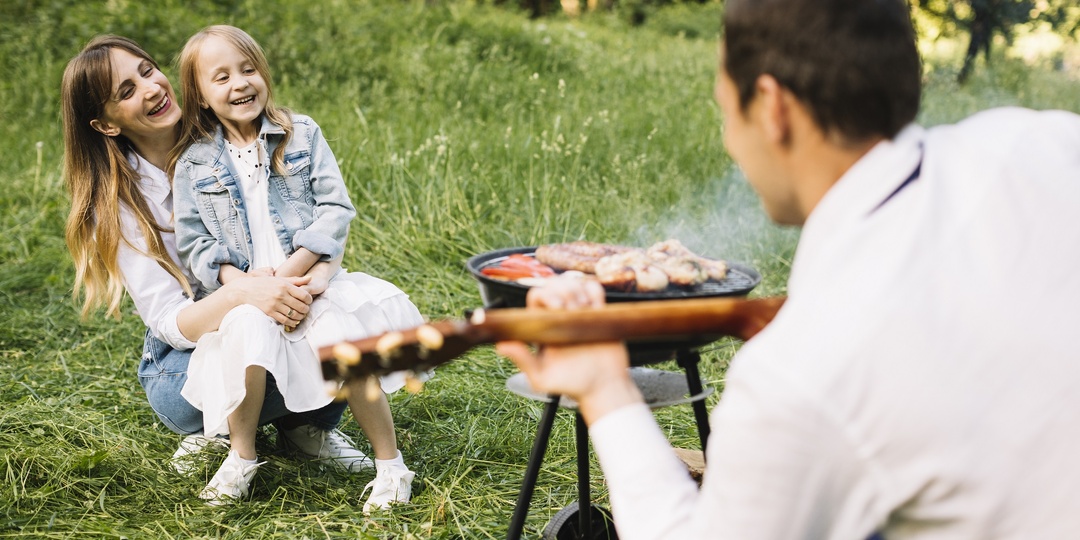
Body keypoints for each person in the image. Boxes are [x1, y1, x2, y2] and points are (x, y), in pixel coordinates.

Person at [497, 0, 1080, 538]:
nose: (730, 141)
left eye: (727, 110)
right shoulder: (1040, 139)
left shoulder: (801, 370)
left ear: (773, 107)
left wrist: (603, 387)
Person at [61, 35, 377, 505]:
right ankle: (222, 430)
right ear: (106, 125)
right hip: (188, 349)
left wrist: (308, 278)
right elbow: (168, 320)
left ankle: (302, 427)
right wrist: (244, 294)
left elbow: (316, 214)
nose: (149, 89)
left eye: (147, 71)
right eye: (125, 92)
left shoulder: (236, 130)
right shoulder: (119, 205)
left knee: (338, 329)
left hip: (280, 300)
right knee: (196, 391)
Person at [168, 25, 419, 511]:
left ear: (264, 73)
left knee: (347, 344)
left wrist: (302, 270)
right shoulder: (194, 163)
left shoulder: (301, 133)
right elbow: (195, 243)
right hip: (245, 289)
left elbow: (335, 208)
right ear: (199, 95)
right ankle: (242, 457)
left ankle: (392, 465)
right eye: (220, 77)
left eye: (248, 69)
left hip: (307, 279)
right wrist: (238, 285)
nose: (240, 84)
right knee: (245, 336)